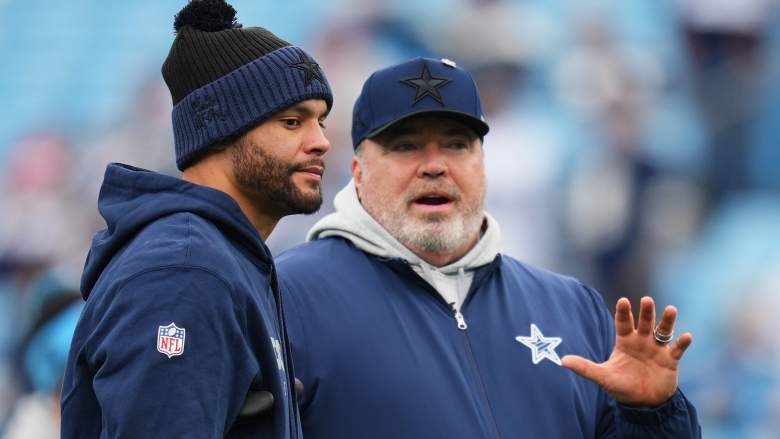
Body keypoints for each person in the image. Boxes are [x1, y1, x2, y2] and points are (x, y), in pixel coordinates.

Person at [276, 57, 701, 438]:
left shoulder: (572, 308)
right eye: (405, 146)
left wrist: (652, 416)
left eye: (456, 145)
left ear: (483, 163)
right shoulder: (286, 296)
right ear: (358, 172)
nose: (435, 165)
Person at [60, 1, 332, 437]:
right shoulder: (186, 273)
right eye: (292, 121)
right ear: (221, 130)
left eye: (321, 120)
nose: (322, 141)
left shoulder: (222, 258)